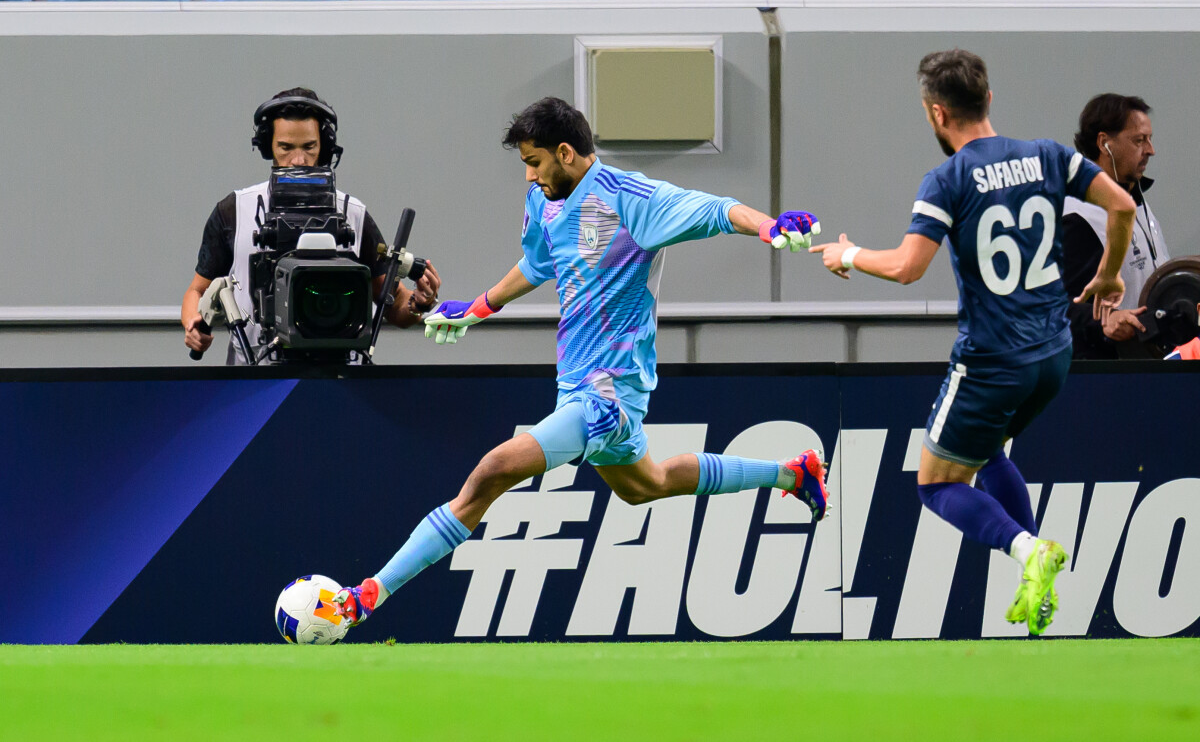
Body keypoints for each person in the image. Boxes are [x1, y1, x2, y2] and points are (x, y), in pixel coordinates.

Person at [330, 96, 829, 629]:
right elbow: (538, 264)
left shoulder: (630, 198)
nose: (528, 174)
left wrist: (770, 226)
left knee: (492, 473)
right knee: (648, 485)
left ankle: (366, 596)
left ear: (565, 153)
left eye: (534, 161)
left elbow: (716, 210)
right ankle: (792, 473)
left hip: (609, 392)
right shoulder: (543, 201)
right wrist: (476, 309)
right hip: (575, 386)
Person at [810, 49, 1136, 636]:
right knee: (987, 453)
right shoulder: (1048, 156)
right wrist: (1110, 274)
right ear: (988, 98)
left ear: (936, 113)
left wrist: (848, 254)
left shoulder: (948, 179)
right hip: (1054, 354)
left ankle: (1029, 551)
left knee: (936, 484)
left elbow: (908, 267)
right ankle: (1036, 576)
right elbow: (1122, 204)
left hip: (993, 361)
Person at [181, 87, 442, 363]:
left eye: (309, 147)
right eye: (286, 147)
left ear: (324, 147)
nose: (298, 160)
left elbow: (395, 303)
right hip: (254, 374)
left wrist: (419, 303)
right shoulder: (234, 211)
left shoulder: (353, 214)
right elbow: (197, 290)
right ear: (268, 146)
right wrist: (193, 323)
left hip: (340, 374)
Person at [1063, 94, 1169, 358]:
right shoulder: (1078, 216)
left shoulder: (1138, 203)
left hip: (1153, 363)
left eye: (1149, 139)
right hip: (1105, 372)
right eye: (1139, 141)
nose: (1150, 150)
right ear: (1104, 143)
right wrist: (1104, 321)